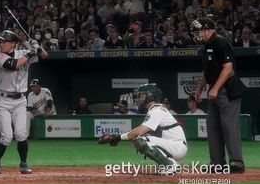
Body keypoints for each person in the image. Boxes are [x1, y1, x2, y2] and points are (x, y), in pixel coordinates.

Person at [191, 17, 245, 173]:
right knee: (212, 125)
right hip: (214, 89)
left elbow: (228, 68)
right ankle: (217, 163)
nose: (196, 34)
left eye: (199, 31)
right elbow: (207, 70)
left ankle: (236, 163)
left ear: (208, 30)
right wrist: (199, 88)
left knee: (229, 126)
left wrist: (215, 88)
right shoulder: (206, 45)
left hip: (227, 89)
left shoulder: (221, 42)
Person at [0, 30, 48, 175]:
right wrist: (31, 52)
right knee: (7, 136)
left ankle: (23, 163)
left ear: (13, 44)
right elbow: (12, 64)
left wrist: (37, 46)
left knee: (22, 134)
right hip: (4, 101)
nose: (1, 44)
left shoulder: (23, 53)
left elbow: (45, 56)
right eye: (1, 41)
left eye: (4, 41)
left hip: (20, 100)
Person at [98, 83, 187, 175]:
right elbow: (140, 131)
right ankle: (168, 162)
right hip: (174, 145)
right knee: (141, 137)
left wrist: (118, 137)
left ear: (150, 96)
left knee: (140, 140)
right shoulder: (156, 109)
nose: (139, 98)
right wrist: (117, 136)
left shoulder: (157, 110)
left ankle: (169, 165)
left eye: (141, 96)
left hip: (177, 147)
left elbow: (140, 131)